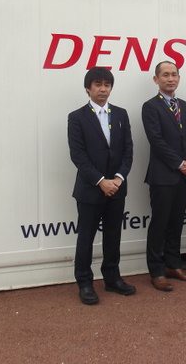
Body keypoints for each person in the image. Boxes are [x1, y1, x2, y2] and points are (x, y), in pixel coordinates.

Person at [67, 67, 136, 305]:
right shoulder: (76, 117)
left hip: (117, 187)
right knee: (86, 237)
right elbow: (78, 156)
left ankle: (112, 278)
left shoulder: (121, 114)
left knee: (113, 235)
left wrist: (118, 178)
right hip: (90, 189)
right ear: (88, 88)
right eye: (98, 84)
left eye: (107, 85)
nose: (103, 89)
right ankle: (84, 282)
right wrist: (101, 181)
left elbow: (128, 151)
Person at [142, 61, 186, 291]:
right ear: (156, 79)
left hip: (184, 175)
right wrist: (178, 163)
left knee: (176, 223)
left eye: (174, 74)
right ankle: (156, 271)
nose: (170, 79)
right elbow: (156, 140)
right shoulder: (150, 106)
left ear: (179, 78)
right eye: (165, 75)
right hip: (163, 176)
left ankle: (173, 265)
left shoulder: (184, 105)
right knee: (160, 224)